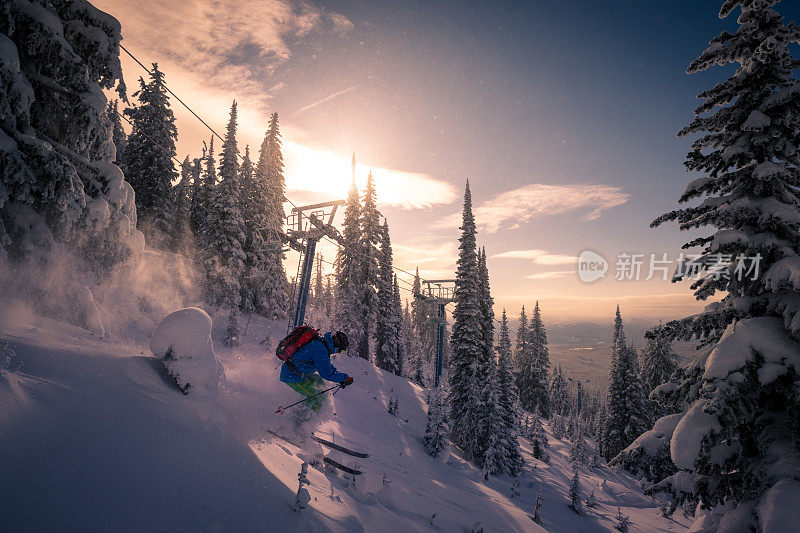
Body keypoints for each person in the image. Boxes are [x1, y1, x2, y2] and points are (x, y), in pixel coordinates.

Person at [279, 330, 353, 412]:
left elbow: (326, 365)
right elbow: (326, 373)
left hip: (297, 373)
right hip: (293, 377)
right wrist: (343, 378)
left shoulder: (322, 344)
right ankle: (300, 421)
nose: (338, 352)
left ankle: (304, 408)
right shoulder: (321, 349)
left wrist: (342, 378)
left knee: (318, 383)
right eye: (340, 350)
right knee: (318, 398)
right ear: (337, 345)